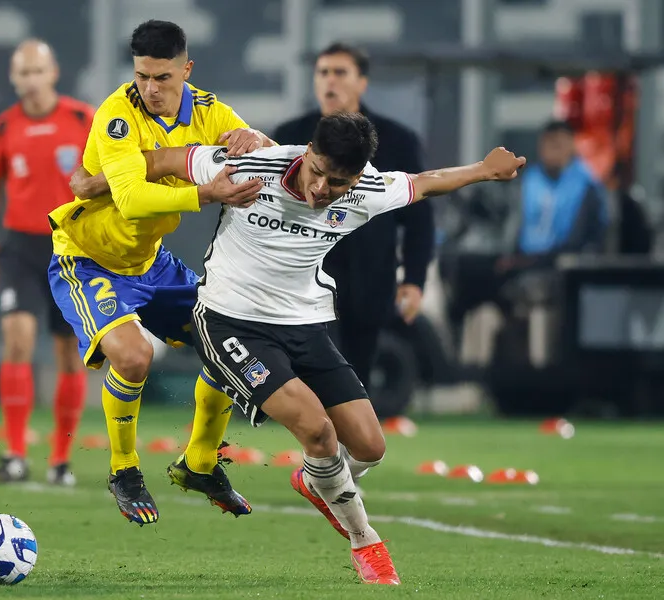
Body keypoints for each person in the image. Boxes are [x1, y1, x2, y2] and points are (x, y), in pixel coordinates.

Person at [125, 113, 524, 583]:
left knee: (371, 448)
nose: (320, 189)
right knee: (317, 431)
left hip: (306, 325)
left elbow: (424, 183)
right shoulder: (252, 166)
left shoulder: (367, 191)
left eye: (337, 183)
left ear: (358, 177)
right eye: (317, 171)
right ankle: (366, 543)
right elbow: (156, 161)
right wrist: (94, 181)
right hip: (230, 322)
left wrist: (484, 169)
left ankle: (316, 480)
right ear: (307, 152)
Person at [47, 20, 272, 526]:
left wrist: (256, 136)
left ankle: (199, 462)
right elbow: (132, 198)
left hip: (150, 263)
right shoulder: (117, 115)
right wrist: (206, 193)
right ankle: (124, 469)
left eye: (163, 77)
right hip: (87, 259)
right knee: (133, 356)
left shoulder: (209, 111)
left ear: (186, 70)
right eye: (143, 76)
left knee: (226, 337)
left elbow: (267, 155)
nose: (150, 88)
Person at [272, 42, 434, 395]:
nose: (331, 81)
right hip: (305, 275)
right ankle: (318, 443)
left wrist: (415, 280)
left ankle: (348, 447)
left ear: (362, 82)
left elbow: (419, 219)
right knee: (314, 372)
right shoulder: (289, 137)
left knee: (357, 375)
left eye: (340, 73)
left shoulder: (397, 140)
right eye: (323, 72)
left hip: (370, 276)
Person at [0, 40, 94, 486]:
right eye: (21, 72)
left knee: (68, 354)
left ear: (53, 72)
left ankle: (61, 461)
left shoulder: (84, 119)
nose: (29, 80)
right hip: (20, 248)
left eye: (36, 71)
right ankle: (16, 454)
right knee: (17, 340)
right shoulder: (4, 126)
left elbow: (109, 182)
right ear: (13, 77)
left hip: (70, 247)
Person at [443, 120, 608, 339]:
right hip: (519, 260)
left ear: (571, 146)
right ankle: (452, 349)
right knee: (461, 268)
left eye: (558, 144)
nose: (552, 150)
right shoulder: (528, 180)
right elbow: (506, 221)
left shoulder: (587, 187)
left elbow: (584, 240)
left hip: (557, 264)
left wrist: (528, 261)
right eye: (548, 144)